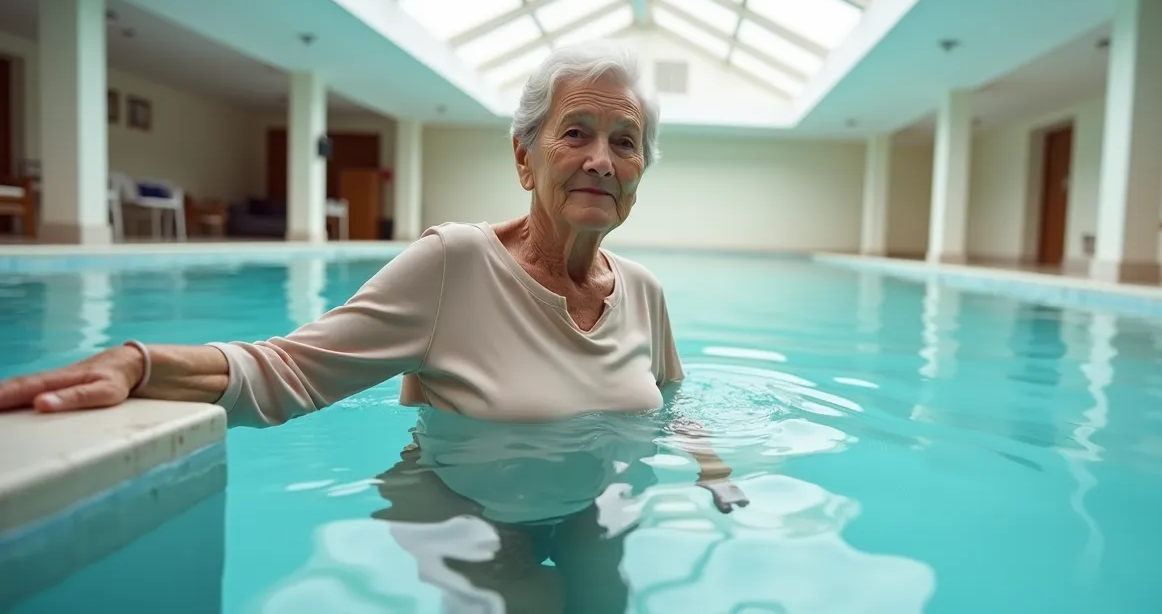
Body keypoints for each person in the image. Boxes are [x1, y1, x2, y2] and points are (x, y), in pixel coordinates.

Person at [0, 40, 748, 613]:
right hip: (460, 503)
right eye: (576, 133)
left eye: (625, 142)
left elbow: (671, 399)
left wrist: (716, 473)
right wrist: (139, 363)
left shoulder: (644, 292)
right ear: (525, 157)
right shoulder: (454, 264)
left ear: (640, 175)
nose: (602, 160)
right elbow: (289, 369)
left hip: (588, 504)